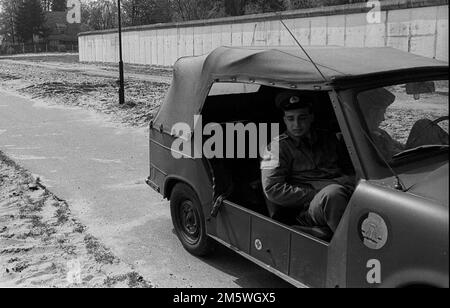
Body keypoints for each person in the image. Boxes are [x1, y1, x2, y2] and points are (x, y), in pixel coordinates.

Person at [261, 91, 355, 232]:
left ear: (311, 117)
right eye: (291, 119)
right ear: (284, 120)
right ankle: (350, 248)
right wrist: (317, 191)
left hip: (342, 189)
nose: (296, 124)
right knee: (333, 194)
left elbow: (348, 168)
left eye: (302, 118)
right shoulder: (276, 148)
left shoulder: (327, 138)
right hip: (308, 208)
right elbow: (273, 189)